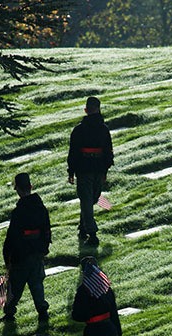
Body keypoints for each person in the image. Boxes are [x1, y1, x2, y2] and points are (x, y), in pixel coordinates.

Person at [0, 172, 51, 323]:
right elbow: (47, 231)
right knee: (37, 285)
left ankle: (9, 313)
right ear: (30, 187)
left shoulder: (18, 212)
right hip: (36, 254)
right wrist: (43, 249)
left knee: (14, 287)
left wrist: (7, 257)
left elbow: (12, 238)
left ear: (19, 190)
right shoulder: (41, 208)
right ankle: (43, 312)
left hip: (21, 257)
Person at [67, 96, 114, 247]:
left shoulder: (81, 129)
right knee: (87, 200)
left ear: (86, 110)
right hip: (88, 168)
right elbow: (108, 151)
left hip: (92, 167)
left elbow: (107, 150)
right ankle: (92, 232)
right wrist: (72, 170)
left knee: (91, 199)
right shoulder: (100, 129)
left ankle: (83, 226)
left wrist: (71, 171)